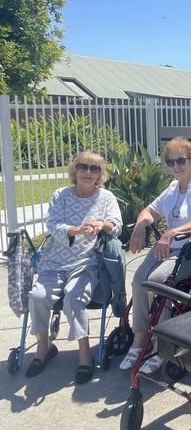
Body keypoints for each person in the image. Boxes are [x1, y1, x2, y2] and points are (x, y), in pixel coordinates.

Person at [119, 137, 191, 374]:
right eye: (170, 161)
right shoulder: (173, 187)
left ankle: (160, 345)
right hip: (169, 248)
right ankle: (140, 338)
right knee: (138, 280)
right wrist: (140, 227)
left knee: (156, 283)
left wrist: (172, 231)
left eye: (181, 160)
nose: (175, 166)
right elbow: (150, 210)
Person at [26, 151, 122, 384]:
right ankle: (43, 347)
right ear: (74, 170)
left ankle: (84, 353)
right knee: (37, 296)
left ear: (100, 174)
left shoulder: (106, 197)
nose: (88, 172)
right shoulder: (61, 195)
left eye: (94, 168)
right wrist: (77, 230)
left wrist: (101, 224)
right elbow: (53, 225)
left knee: (74, 298)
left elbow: (116, 226)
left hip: (86, 263)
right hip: (55, 262)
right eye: (83, 167)